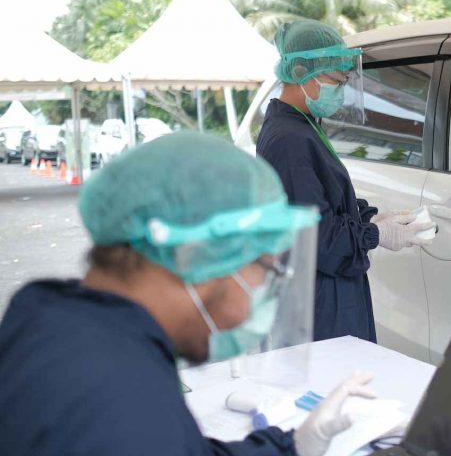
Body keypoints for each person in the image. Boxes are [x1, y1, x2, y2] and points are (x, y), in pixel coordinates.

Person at [0, 132, 376, 456]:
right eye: (267, 270)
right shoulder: (122, 402)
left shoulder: (53, 315)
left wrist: (290, 446)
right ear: (199, 257)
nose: (262, 299)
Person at [257, 20, 432, 344]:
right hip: (319, 301)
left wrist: (369, 217)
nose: (339, 91)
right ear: (299, 72)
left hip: (323, 291)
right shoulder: (289, 139)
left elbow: (322, 199)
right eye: (335, 81)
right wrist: (376, 234)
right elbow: (315, 235)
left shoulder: (303, 125)